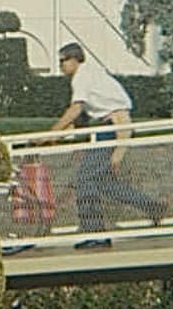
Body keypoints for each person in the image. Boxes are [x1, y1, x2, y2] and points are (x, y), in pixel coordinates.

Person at [51, 42, 165, 249]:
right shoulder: (88, 75)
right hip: (110, 126)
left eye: (62, 61)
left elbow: (75, 109)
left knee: (85, 180)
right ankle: (152, 206)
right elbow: (81, 118)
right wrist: (62, 135)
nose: (60, 66)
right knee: (104, 183)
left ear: (74, 59)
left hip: (113, 126)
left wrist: (51, 134)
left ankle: (95, 234)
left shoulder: (82, 77)